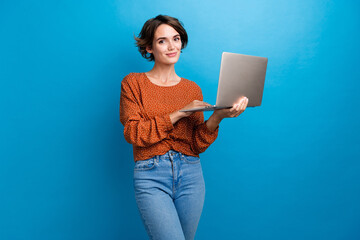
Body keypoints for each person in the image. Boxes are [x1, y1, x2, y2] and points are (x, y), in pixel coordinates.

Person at [119, 15, 248, 240]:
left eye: (176, 39)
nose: (171, 46)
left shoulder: (191, 89)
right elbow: (133, 133)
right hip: (151, 174)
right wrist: (180, 113)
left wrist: (218, 116)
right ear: (149, 47)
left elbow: (196, 142)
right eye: (162, 41)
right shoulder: (133, 83)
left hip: (190, 174)